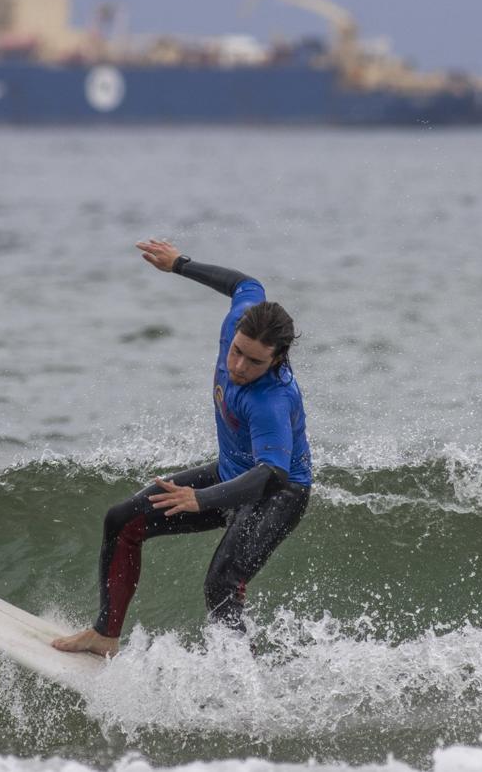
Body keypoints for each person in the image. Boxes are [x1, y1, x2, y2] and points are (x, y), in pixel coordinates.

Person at [52, 239, 313, 657]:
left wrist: (201, 498)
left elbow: (271, 475)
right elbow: (245, 283)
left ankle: (240, 685)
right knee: (122, 520)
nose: (239, 367)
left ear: (278, 359)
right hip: (231, 474)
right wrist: (179, 264)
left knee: (221, 584)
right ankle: (105, 636)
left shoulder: (272, 400)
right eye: (237, 352)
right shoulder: (240, 322)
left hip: (277, 495)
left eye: (255, 362)